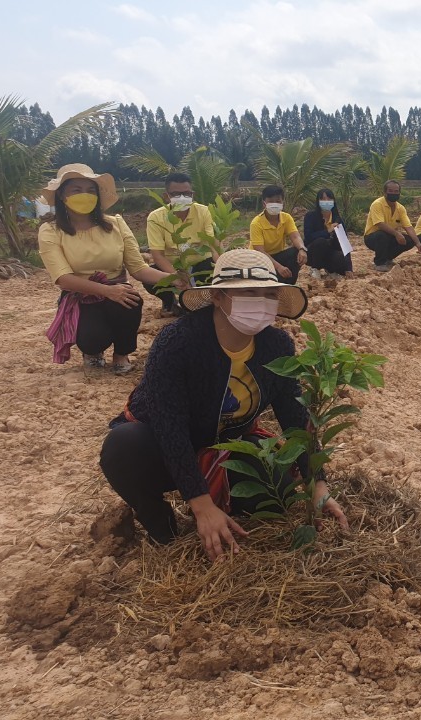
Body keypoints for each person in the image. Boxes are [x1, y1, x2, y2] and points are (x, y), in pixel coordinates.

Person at [99, 248, 348, 560]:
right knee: (124, 447)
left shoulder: (276, 345)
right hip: (162, 446)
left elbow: (294, 417)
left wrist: (317, 484)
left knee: (277, 492)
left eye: (269, 294)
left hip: (226, 444)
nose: (261, 302)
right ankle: (163, 527)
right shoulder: (179, 342)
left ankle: (222, 504)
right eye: (248, 293)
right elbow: (169, 426)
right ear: (217, 297)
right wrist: (200, 505)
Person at [38, 163, 173, 374]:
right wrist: (107, 291)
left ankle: (122, 353)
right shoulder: (51, 231)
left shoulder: (116, 224)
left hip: (118, 291)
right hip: (81, 295)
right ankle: (92, 351)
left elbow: (138, 268)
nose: (85, 195)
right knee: (92, 339)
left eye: (91, 190)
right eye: (77, 190)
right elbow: (63, 278)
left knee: (131, 300)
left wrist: (173, 278)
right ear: (62, 196)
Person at [142, 172, 218, 316]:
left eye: (187, 194)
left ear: (192, 194)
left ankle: (199, 303)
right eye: (176, 194)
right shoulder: (156, 217)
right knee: (151, 278)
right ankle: (170, 301)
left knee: (206, 284)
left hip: (199, 262)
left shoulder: (203, 211)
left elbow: (211, 243)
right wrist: (176, 276)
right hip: (172, 265)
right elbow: (157, 255)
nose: (183, 198)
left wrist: (221, 265)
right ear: (166, 196)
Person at [249, 185, 307, 285]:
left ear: (282, 202)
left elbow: (295, 236)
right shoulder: (256, 223)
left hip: (277, 256)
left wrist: (302, 249)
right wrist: (279, 267)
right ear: (264, 203)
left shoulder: (286, 218)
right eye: (271, 201)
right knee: (274, 276)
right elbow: (260, 251)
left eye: (278, 201)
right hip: (259, 260)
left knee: (295, 252)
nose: (275, 204)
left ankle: (289, 287)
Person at [363, 180, 421, 271]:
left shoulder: (400, 208)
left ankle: (388, 258)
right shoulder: (377, 204)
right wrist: (397, 234)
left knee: (409, 240)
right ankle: (379, 263)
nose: (393, 193)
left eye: (396, 191)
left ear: (399, 192)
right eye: (390, 191)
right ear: (385, 192)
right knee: (382, 235)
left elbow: (408, 227)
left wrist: (417, 242)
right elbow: (380, 224)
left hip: (390, 236)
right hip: (372, 237)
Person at [302, 188, 354, 281]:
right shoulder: (310, 216)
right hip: (313, 252)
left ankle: (330, 270)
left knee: (340, 258)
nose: (326, 202)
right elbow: (308, 237)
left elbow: (344, 244)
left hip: (330, 253)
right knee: (321, 242)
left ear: (333, 201)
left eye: (329, 199)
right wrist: (327, 232)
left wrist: (349, 268)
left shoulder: (337, 220)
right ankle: (315, 268)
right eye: (323, 199)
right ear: (318, 201)